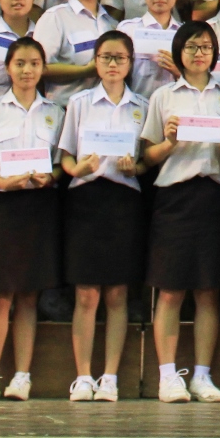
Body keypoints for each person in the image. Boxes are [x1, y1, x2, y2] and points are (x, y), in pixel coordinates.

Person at [141, 21, 220, 403]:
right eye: (192, 47)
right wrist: (169, 142)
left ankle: (202, 375)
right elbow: (147, 156)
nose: (199, 54)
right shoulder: (163, 96)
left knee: (208, 291)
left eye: (206, 47)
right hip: (175, 196)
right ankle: (168, 375)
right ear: (178, 53)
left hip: (216, 194)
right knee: (170, 290)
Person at [0, 37, 64, 402]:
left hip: (39, 206)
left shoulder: (56, 112)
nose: (27, 70)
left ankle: (22, 376)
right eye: (20, 63)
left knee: (28, 295)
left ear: (43, 69)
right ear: (7, 68)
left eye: (34, 63)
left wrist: (50, 177)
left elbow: (62, 163)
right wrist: (1, 183)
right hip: (2, 206)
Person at [57, 31, 148, 402]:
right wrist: (76, 169)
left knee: (117, 293)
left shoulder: (142, 105)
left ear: (130, 63)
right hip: (86, 200)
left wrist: (135, 168)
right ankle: (83, 376)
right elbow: (65, 156)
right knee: (86, 293)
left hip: (124, 201)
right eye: (106, 57)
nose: (112, 64)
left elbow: (146, 161)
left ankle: (109, 376)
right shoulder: (79, 103)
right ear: (95, 61)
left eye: (120, 58)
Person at [35, 0, 120, 104]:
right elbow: (39, 67)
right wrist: (85, 71)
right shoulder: (55, 17)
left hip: (104, 108)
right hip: (64, 108)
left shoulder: (111, 24)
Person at [116, 0, 186, 101]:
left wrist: (180, 72)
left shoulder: (185, 34)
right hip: (135, 107)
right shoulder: (128, 30)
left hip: (175, 107)